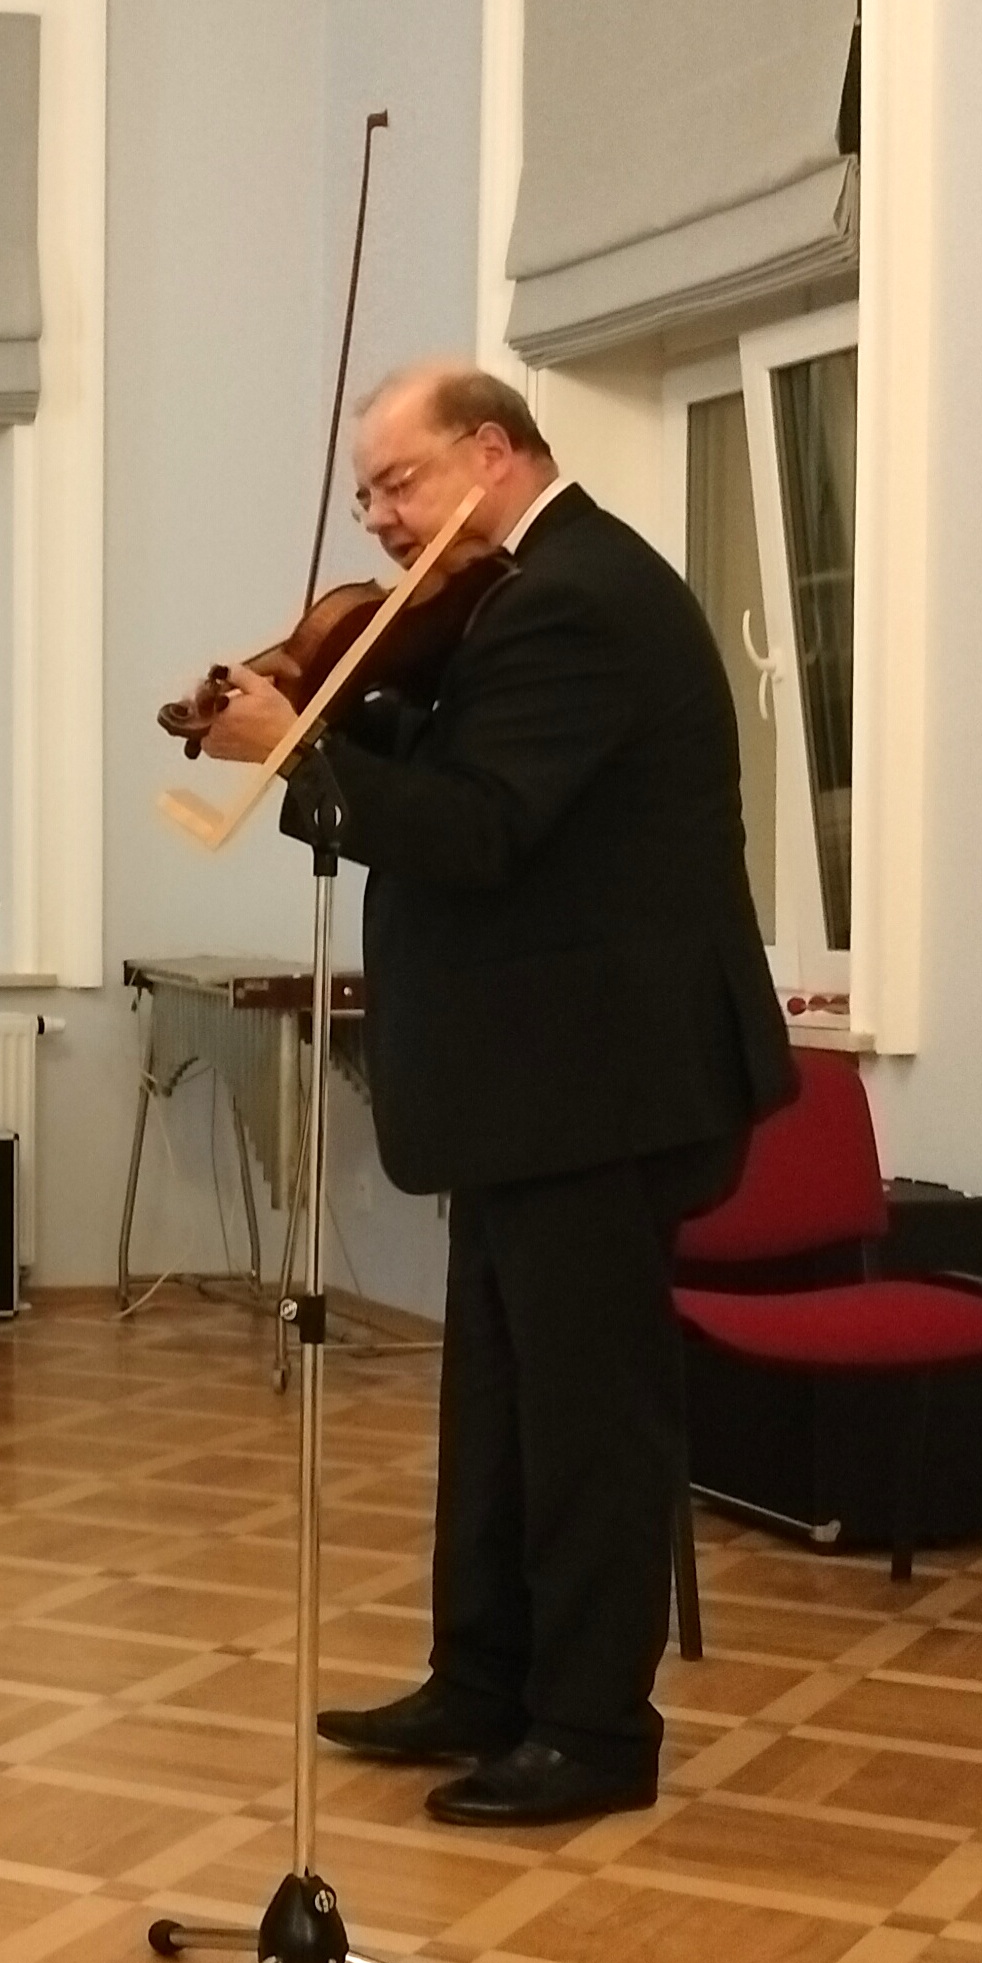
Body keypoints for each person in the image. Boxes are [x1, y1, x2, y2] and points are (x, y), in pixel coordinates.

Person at [188, 362, 794, 1828]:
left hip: (602, 1085)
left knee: (588, 1421)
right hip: (539, 1088)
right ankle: (482, 1681)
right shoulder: (512, 598)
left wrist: (302, 752)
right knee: (503, 1403)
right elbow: (467, 765)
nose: (380, 520)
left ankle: (592, 1731)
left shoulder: (577, 598)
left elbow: (481, 829)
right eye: (366, 497)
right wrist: (336, 717)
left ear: (493, 449)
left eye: (397, 483)